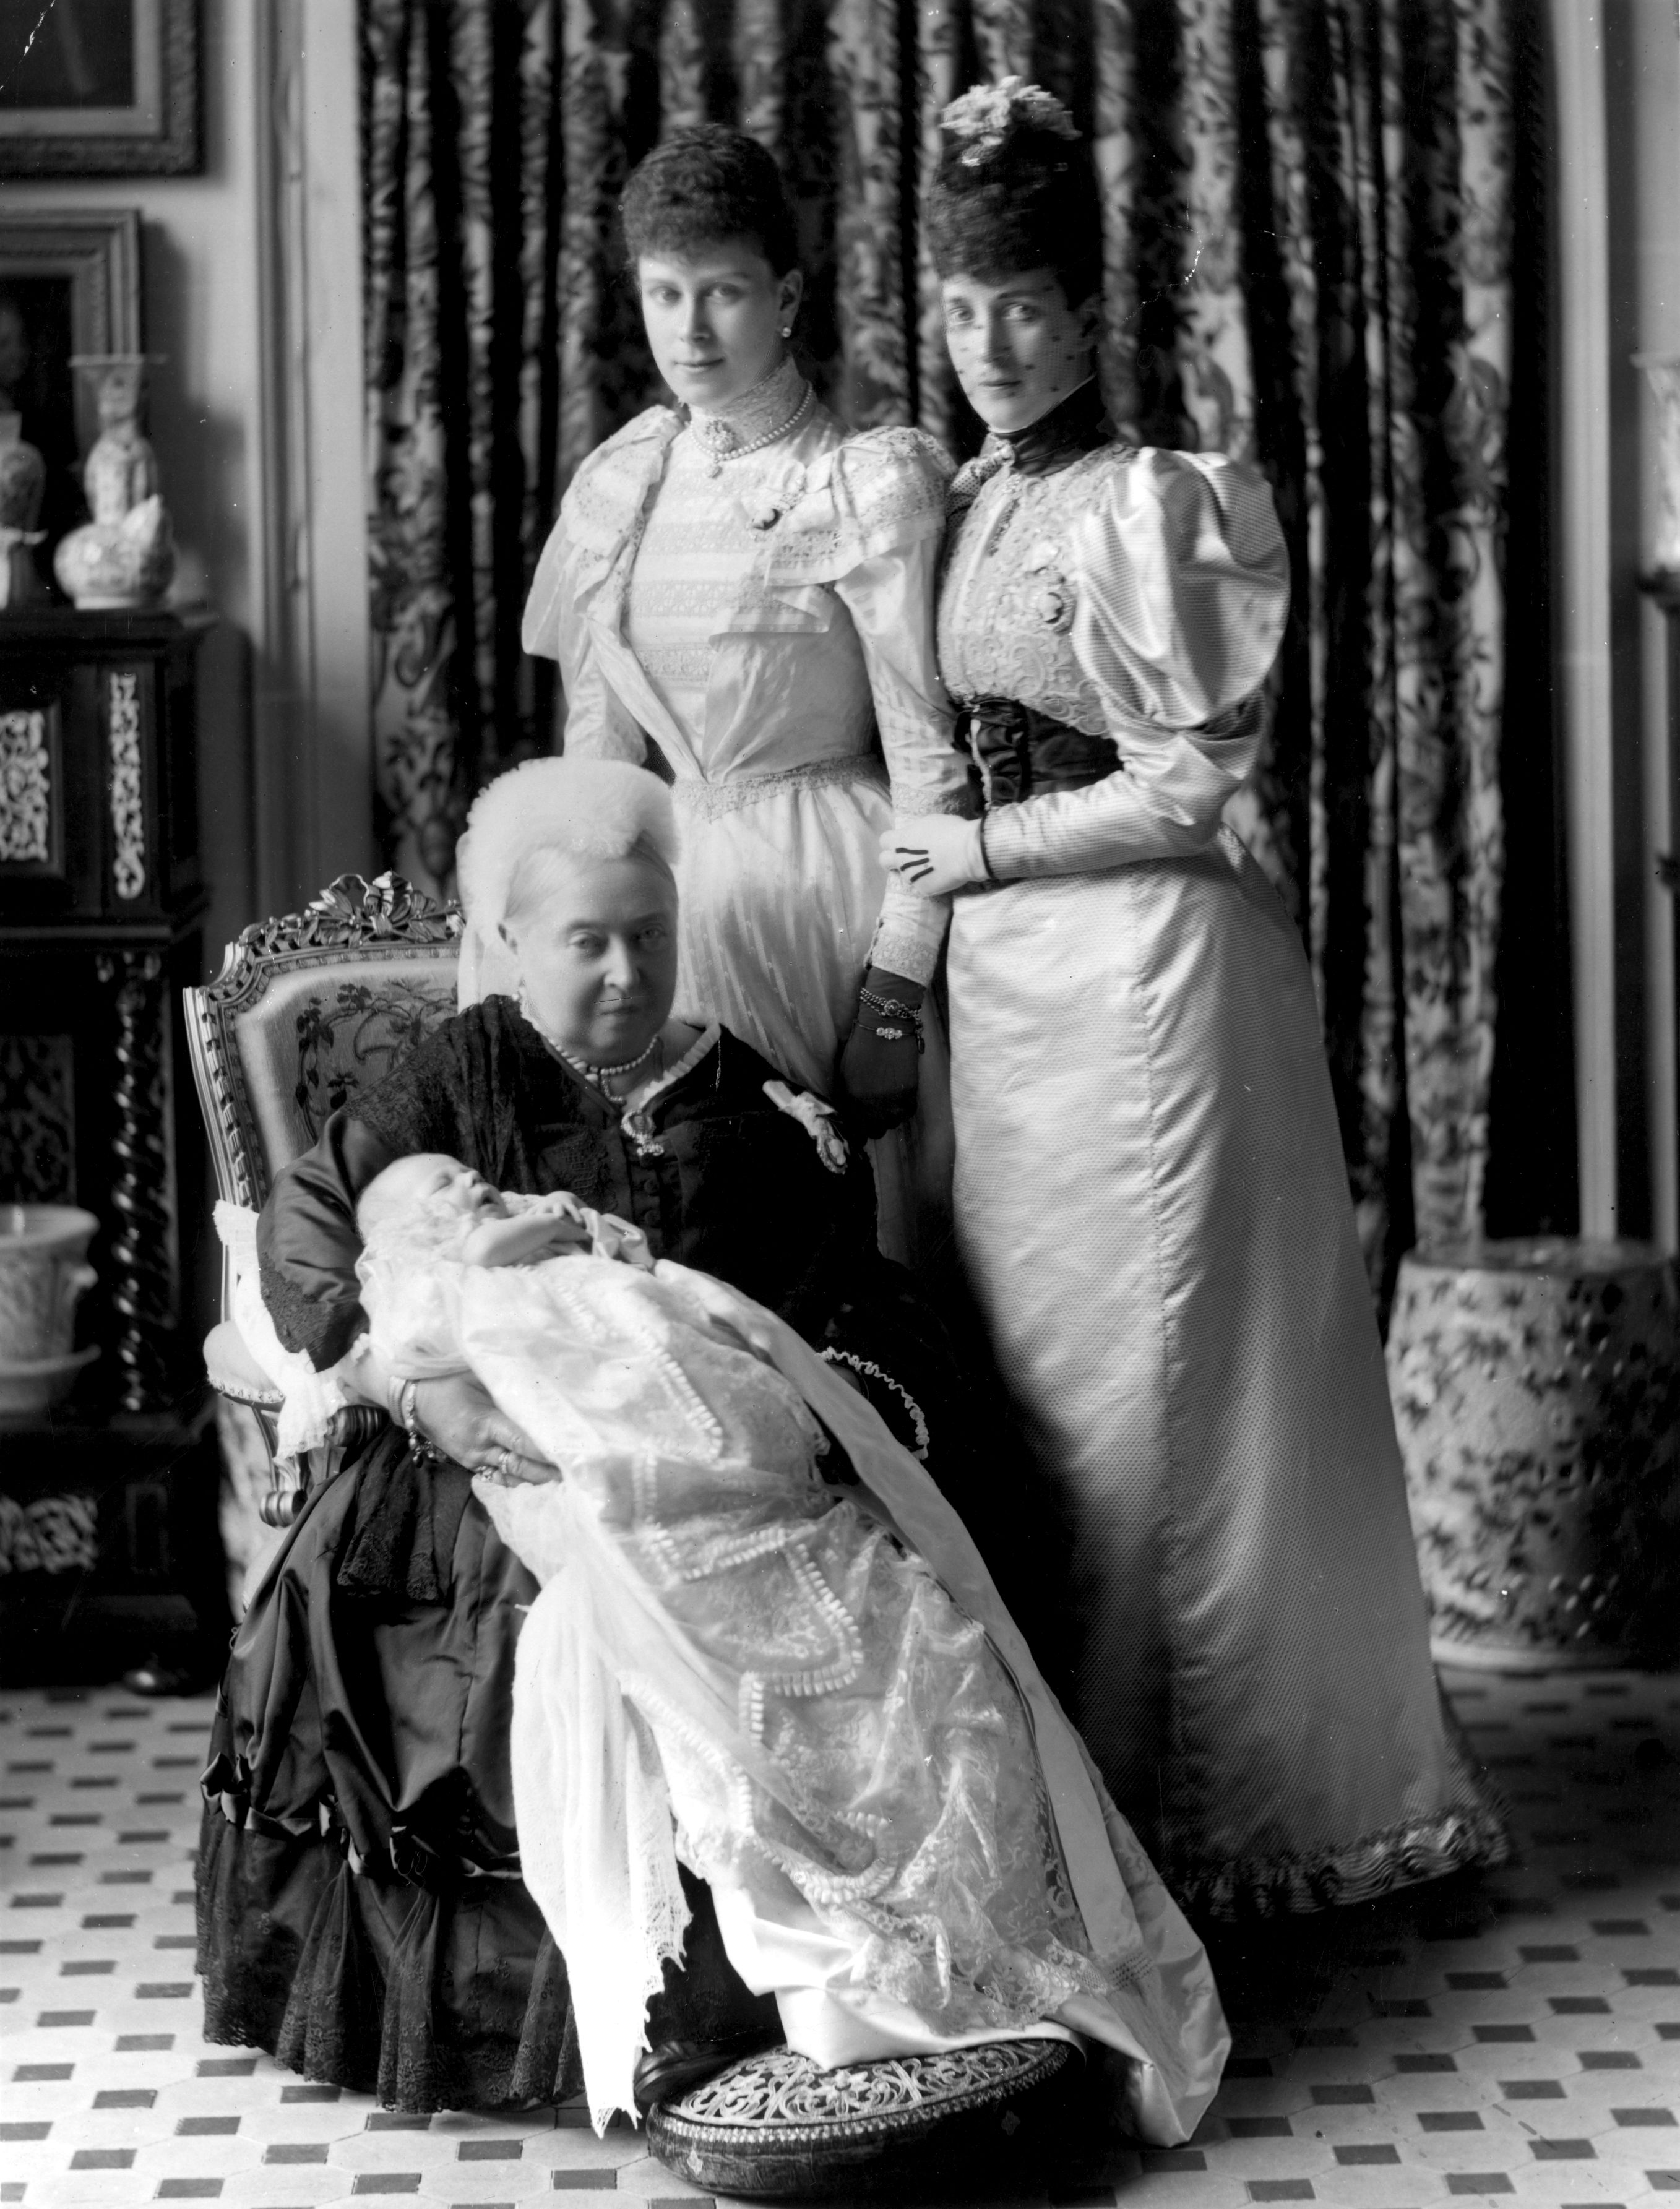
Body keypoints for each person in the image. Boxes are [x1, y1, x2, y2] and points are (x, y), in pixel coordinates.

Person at [879, 79, 1510, 1918]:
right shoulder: (965, 496)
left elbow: (1188, 778)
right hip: (1010, 999)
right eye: (957, 306)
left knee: (1163, 1398)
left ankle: (1221, 1823)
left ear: (1086, 311)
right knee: (1046, 1394)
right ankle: (1079, 1796)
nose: (988, 344)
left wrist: (981, 861)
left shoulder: (1157, 505)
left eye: (1020, 305)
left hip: (1151, 980)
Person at [196, 758, 963, 2115]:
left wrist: (815, 1411)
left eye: (650, 938)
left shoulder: (744, 1099)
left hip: (695, 1457)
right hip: (475, 1452)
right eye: (585, 944)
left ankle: (828, 1980)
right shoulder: (462, 1071)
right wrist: (401, 1377)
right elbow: (310, 1230)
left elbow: (837, 1288)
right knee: (538, 1623)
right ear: (510, 944)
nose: (623, 973)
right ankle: (591, 2010)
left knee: (850, 1617)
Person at [340, 1150, 1227, 2139]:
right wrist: (514, 1246)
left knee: (906, 1646)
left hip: (727, 1446)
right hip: (638, 1487)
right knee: (746, 1708)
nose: (470, 1188)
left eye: (468, 1175)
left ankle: (982, 1955)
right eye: (441, 1193)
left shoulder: (562, 1240)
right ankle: (879, 1990)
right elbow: (408, 1333)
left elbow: (660, 1303)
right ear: (401, 1243)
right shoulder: (445, 1288)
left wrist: (581, 1239)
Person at [518, 124, 963, 1265]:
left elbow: (929, 762)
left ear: (789, 295)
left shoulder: (862, 483)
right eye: (665, 294)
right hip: (667, 927)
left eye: (724, 292)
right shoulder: (620, 484)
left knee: (836, 1259)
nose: (692, 328)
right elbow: (599, 764)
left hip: (829, 910)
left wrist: (895, 994)